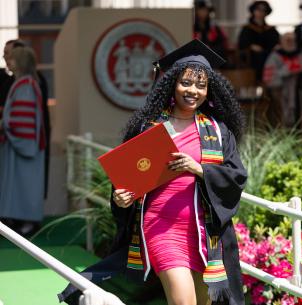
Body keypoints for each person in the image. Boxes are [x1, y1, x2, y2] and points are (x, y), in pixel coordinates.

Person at [59, 39, 248, 305]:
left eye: (201, 85)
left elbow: (236, 177)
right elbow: (126, 180)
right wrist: (121, 198)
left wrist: (200, 169)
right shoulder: (149, 128)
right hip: (162, 227)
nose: (192, 90)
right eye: (186, 82)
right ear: (172, 83)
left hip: (204, 233)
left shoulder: (217, 131)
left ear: (209, 90)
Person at [0, 46, 46, 236]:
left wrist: (4, 122)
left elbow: (20, 120)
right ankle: (20, 220)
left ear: (22, 62)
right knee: (22, 184)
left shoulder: (25, 85)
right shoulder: (24, 83)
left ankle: (28, 222)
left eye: (13, 59)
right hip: (18, 143)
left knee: (26, 184)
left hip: (24, 144)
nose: (8, 61)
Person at [263, 32, 302, 127]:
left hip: (300, 89)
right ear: (281, 42)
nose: (290, 42)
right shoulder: (274, 56)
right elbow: (269, 77)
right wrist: (286, 72)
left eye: (292, 40)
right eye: (287, 40)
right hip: (281, 90)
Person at [238, 1, 280, 81]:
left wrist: (276, 46)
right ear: (253, 11)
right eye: (258, 10)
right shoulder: (247, 28)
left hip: (269, 55)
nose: (261, 12)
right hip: (253, 56)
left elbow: (276, 42)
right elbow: (242, 42)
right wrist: (251, 46)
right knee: (260, 57)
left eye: (263, 10)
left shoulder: (270, 29)